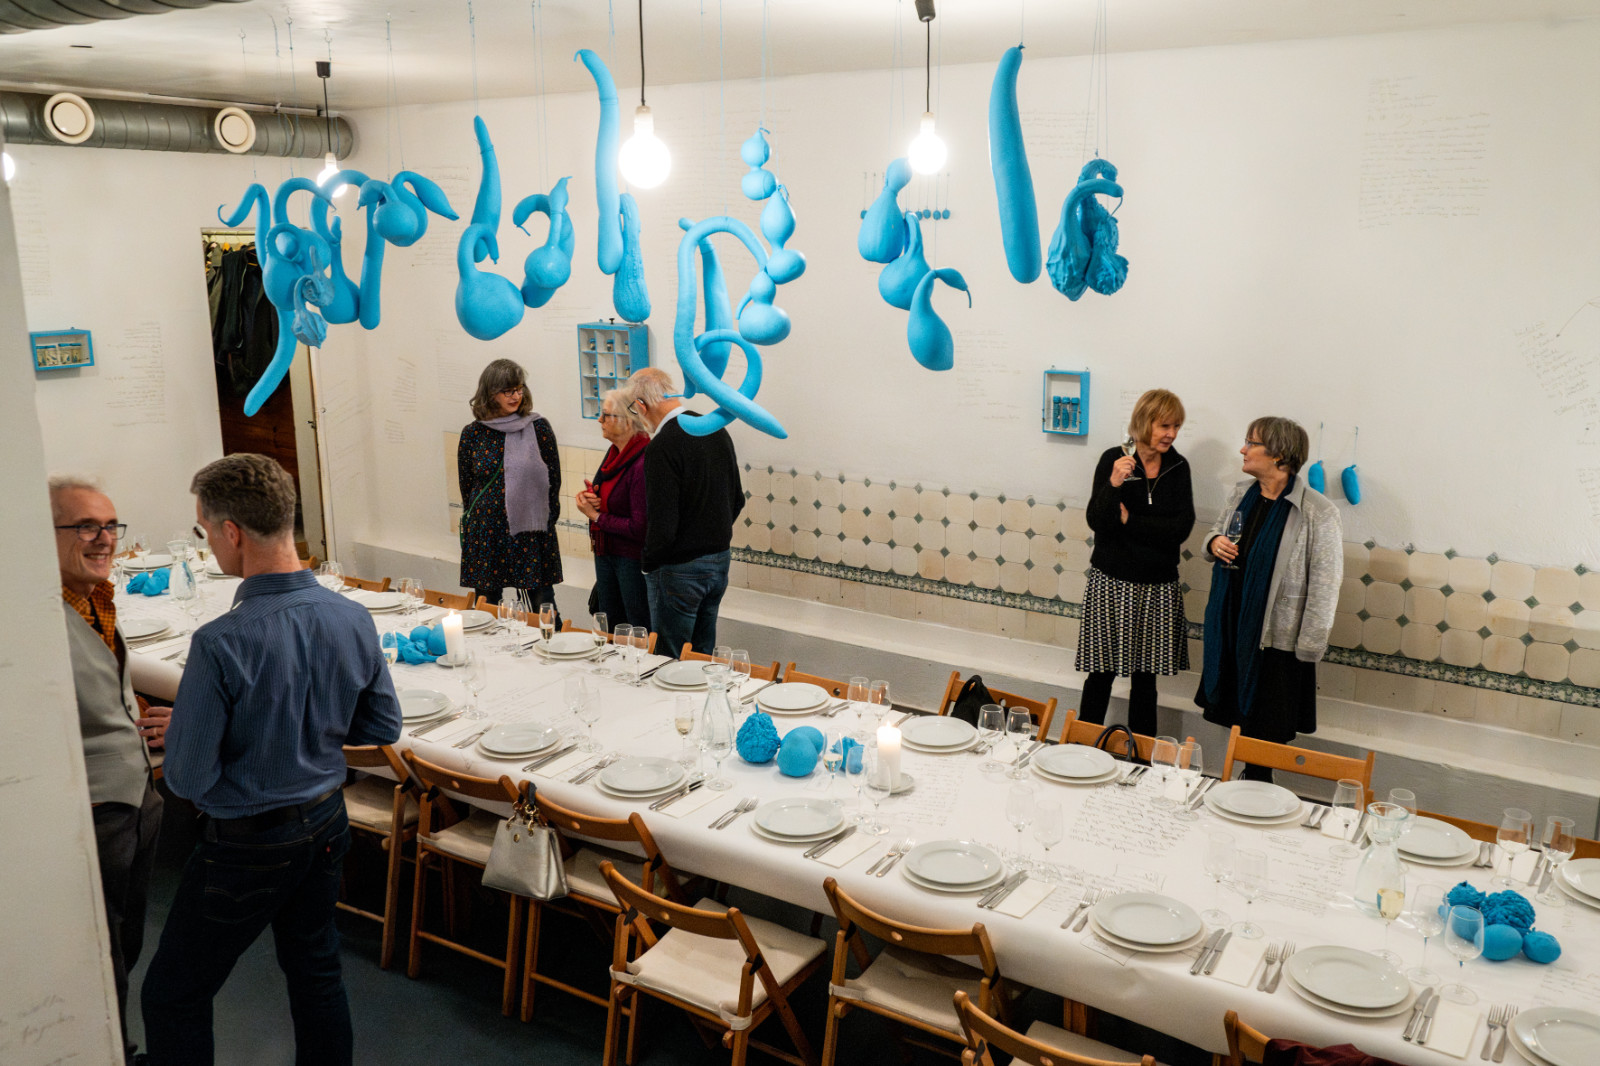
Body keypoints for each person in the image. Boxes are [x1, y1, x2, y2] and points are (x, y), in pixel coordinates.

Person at [141, 454, 402, 1066]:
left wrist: (198, 730)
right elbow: (382, 726)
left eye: (206, 530)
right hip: (327, 822)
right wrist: (289, 726)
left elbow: (187, 778)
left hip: (248, 844)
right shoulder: (352, 615)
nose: (208, 544)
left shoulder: (219, 642)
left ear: (232, 531)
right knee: (316, 972)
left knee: (173, 994)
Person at [50, 475, 166, 1063]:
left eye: (110, 525)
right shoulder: (36, 622)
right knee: (101, 950)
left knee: (125, 938)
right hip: (97, 811)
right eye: (85, 527)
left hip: (137, 799)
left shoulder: (95, 598)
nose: (104, 539)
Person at [1196, 417, 1343, 780]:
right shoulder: (1240, 493)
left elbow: (1325, 586)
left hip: (1277, 644)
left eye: (1251, 443)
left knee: (1264, 737)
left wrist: (1309, 648)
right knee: (1239, 725)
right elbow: (1216, 532)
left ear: (1279, 454)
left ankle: (1257, 795)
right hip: (1232, 629)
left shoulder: (1318, 512)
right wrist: (1214, 543)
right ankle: (1239, 793)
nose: (1242, 450)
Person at [1075, 390, 1195, 736]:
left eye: (1176, 426)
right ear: (1144, 422)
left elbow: (1180, 530)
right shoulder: (1113, 459)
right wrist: (1113, 484)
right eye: (1164, 426)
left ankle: (1141, 756)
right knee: (1100, 674)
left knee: (1146, 680)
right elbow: (1098, 521)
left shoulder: (1179, 467)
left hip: (1158, 585)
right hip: (1111, 580)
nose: (1171, 434)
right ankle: (1081, 749)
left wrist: (1130, 521)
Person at [627, 366, 744, 657]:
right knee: (702, 656)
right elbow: (737, 500)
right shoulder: (715, 429)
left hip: (678, 569)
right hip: (719, 561)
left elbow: (662, 522)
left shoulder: (662, 445)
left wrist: (648, 563)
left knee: (670, 659)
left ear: (641, 405)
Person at [458, 358, 562, 614]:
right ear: (490, 393)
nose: (516, 396)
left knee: (542, 607)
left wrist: (545, 521)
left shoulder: (539, 428)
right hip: (487, 532)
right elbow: (467, 486)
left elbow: (553, 480)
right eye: (508, 391)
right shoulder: (472, 433)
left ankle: (551, 640)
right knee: (487, 608)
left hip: (530, 533)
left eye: (519, 389)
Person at [575, 388, 652, 629]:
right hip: (607, 553)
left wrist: (596, 516)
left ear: (627, 421)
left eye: (606, 415)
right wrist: (591, 498)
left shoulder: (642, 462)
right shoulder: (614, 453)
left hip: (631, 560)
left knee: (635, 628)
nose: (600, 420)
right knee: (610, 626)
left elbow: (640, 527)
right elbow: (612, 496)